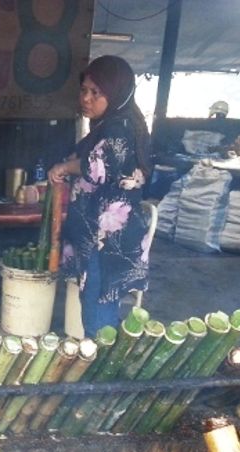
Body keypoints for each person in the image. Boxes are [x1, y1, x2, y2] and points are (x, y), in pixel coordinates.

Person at [48, 55, 152, 336]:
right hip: (97, 236)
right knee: (94, 302)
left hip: (107, 241)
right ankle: (105, 361)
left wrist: (63, 167)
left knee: (97, 309)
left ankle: (105, 369)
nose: (86, 98)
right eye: (84, 90)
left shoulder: (120, 127)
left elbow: (96, 168)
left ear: (116, 93)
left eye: (97, 93)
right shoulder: (108, 125)